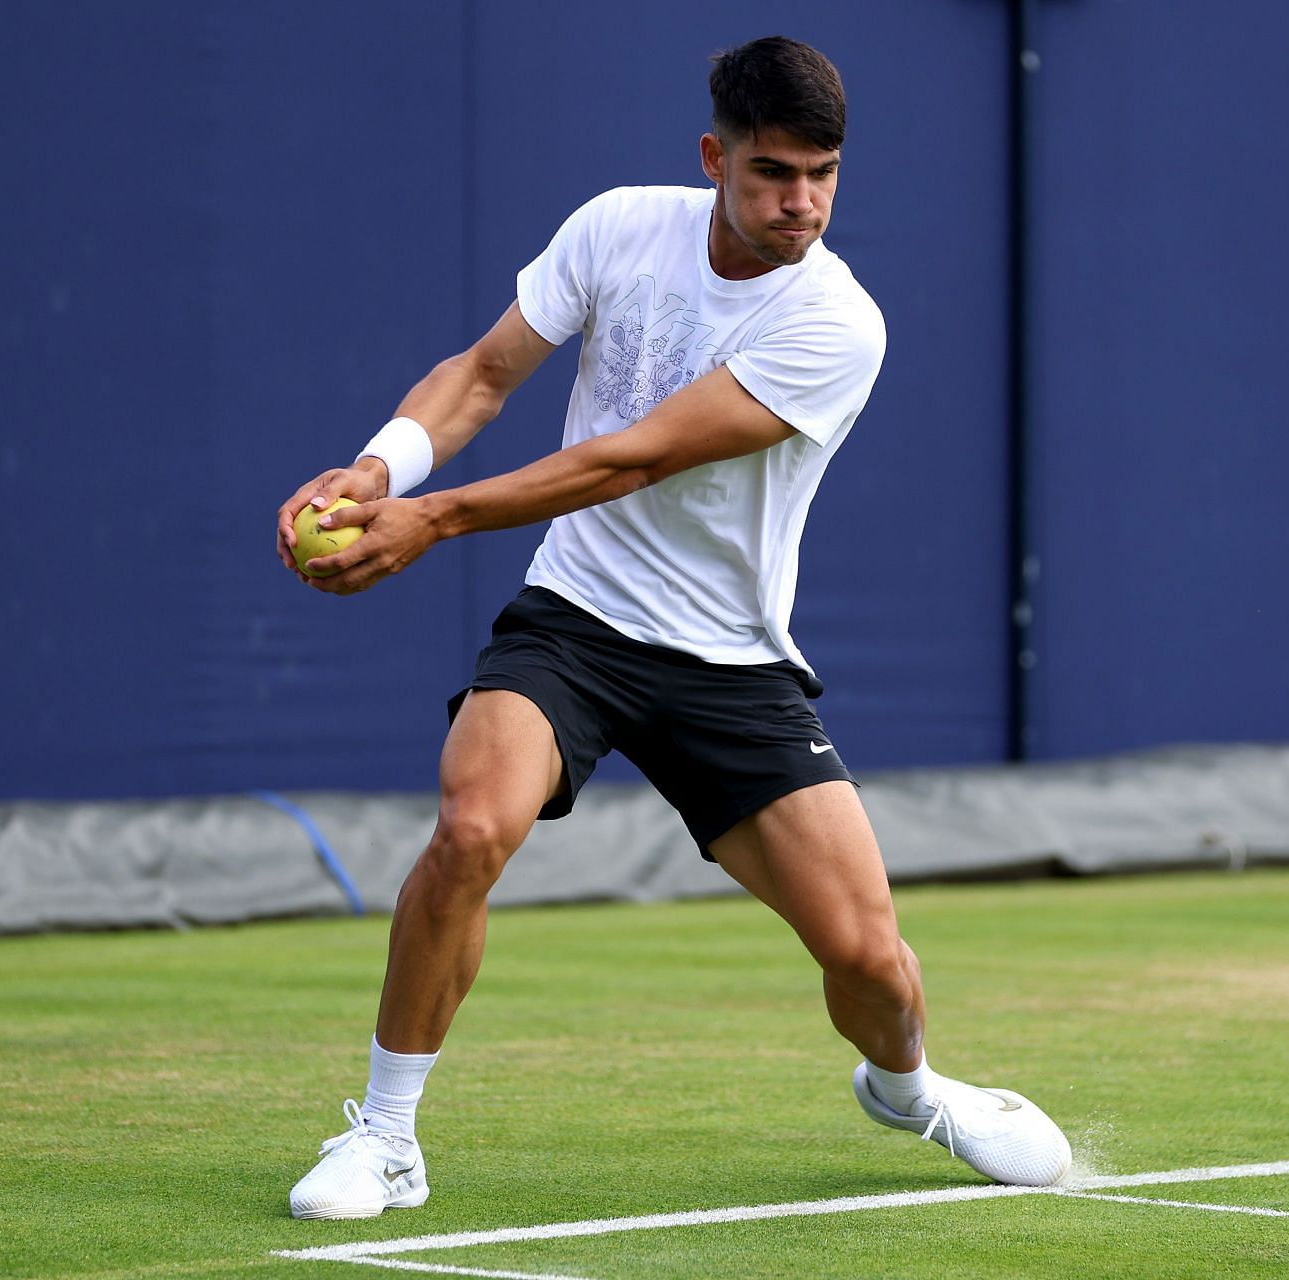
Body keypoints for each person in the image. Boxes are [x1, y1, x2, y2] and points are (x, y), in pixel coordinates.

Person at [275, 35, 1070, 1221]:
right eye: (771, 174)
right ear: (715, 157)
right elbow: (486, 373)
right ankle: (386, 1133)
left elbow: (627, 457)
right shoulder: (616, 228)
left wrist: (429, 520)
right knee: (470, 824)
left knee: (869, 961)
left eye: (823, 174)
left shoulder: (840, 324)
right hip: (577, 620)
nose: (801, 202)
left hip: (732, 663)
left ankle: (906, 1090)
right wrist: (381, 467)